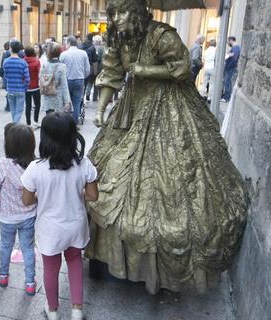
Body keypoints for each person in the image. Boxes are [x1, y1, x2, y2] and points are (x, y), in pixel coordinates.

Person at [89, 0, 247, 294]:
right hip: (131, 108)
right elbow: (111, 72)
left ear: (136, 12)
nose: (117, 18)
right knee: (110, 173)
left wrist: (146, 69)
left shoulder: (162, 34)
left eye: (122, 12)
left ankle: (161, 269)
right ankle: (107, 258)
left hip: (169, 106)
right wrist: (100, 109)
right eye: (113, 13)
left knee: (173, 176)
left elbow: (182, 67)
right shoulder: (119, 40)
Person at [20, 112, 98, 320]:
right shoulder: (84, 164)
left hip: (50, 229)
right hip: (76, 225)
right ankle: (77, 309)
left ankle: (52, 310)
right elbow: (93, 195)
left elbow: (26, 200)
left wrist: (43, 195)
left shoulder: (35, 169)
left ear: (44, 138)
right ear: (73, 136)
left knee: (51, 268)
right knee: (74, 262)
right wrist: (77, 192)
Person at [0, 123, 38, 295]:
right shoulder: (34, 165)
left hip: (7, 219)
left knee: (5, 246)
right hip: (29, 216)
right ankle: (30, 283)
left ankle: (3, 275)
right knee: (28, 248)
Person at [59, 36, 91, 123]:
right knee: (77, 103)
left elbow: (60, 69)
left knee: (66, 102)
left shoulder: (63, 54)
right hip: (79, 80)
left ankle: (65, 122)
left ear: (68, 43)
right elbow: (87, 69)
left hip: (67, 80)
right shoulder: (83, 53)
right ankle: (74, 123)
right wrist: (82, 76)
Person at [39, 43, 71, 115]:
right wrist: (67, 101)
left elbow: (40, 78)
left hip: (47, 94)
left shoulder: (44, 65)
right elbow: (64, 85)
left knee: (49, 117)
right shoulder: (62, 66)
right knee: (58, 119)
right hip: (57, 95)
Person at [2, 39, 29, 123]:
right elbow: (27, 79)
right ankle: (15, 126)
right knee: (19, 111)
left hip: (10, 89)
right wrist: (24, 88)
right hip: (20, 89)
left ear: (10, 48)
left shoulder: (6, 61)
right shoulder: (23, 62)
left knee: (13, 111)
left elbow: (5, 76)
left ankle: (14, 127)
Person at [23, 46, 41, 127]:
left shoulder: (23, 61)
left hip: (26, 87)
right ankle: (36, 121)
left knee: (28, 105)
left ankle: (28, 123)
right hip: (36, 86)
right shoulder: (37, 61)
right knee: (37, 104)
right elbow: (40, 73)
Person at [80, 33, 98, 101]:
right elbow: (95, 60)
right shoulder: (92, 47)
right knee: (86, 82)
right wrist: (95, 71)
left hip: (81, 66)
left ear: (86, 38)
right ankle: (83, 96)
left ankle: (81, 97)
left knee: (81, 82)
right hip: (89, 67)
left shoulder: (81, 46)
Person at [222, 36, 241, 102]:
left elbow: (234, 59)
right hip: (230, 68)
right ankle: (226, 96)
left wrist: (229, 66)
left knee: (228, 82)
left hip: (230, 68)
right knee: (227, 82)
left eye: (228, 41)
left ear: (231, 40)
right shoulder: (235, 48)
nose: (228, 43)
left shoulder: (236, 48)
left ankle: (227, 97)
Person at [91, 35, 105, 101]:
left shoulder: (100, 48)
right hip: (106, 69)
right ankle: (101, 96)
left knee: (97, 83)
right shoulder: (107, 47)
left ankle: (95, 97)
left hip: (100, 68)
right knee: (103, 83)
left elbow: (98, 59)